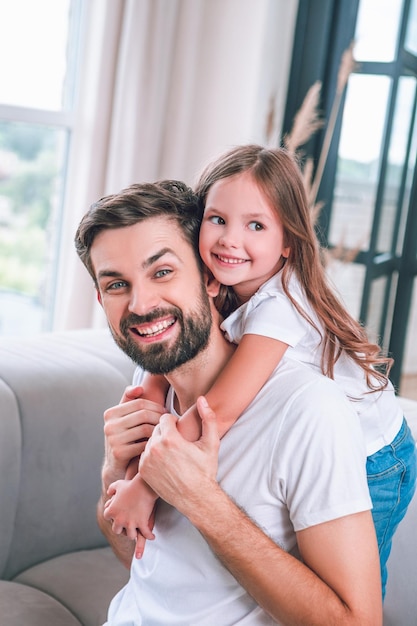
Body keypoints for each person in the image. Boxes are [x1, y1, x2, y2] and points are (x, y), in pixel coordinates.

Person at [102, 146, 417, 598]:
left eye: (255, 225)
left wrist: (145, 485)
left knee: (345, 583)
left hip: (377, 456)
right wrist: (144, 416)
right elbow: (158, 371)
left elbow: (223, 406)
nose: (231, 239)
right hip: (329, 444)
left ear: (287, 241)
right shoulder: (216, 280)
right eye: (218, 220)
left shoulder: (281, 304)